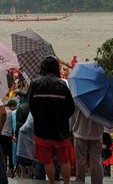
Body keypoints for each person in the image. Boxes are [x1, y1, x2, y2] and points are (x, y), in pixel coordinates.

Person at [28, 56, 75, 184]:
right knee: (64, 160)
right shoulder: (62, 85)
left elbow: (31, 105)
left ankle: (52, 183)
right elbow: (71, 107)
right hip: (60, 129)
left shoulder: (35, 84)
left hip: (42, 129)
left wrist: (40, 117)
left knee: (47, 160)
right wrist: (62, 118)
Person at [71, 107, 104, 184]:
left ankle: (80, 181)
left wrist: (71, 127)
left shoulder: (79, 97)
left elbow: (73, 115)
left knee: (80, 160)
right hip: (97, 133)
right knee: (96, 161)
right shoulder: (101, 98)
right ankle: (97, 182)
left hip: (80, 131)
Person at [0, 100, 17, 176]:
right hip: (8, 135)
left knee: (3, 153)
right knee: (10, 153)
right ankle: (10, 170)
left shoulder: (2, 112)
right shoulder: (12, 113)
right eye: (15, 106)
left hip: (1, 134)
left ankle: (3, 170)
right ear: (12, 106)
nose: (15, 108)